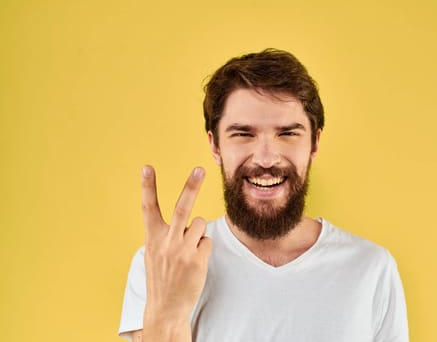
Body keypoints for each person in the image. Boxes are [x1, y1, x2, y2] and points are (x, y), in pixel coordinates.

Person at [119, 49, 409, 342]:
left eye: (287, 134)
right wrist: (168, 314)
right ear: (215, 146)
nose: (267, 158)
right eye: (243, 134)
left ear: (314, 143)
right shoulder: (163, 263)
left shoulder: (370, 269)